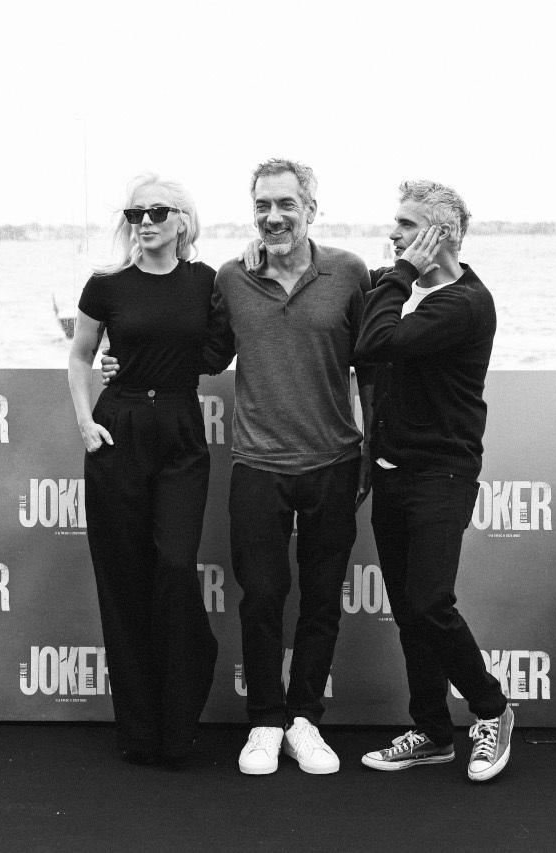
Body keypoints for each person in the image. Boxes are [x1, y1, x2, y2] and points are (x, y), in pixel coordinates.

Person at [104, 159, 372, 776]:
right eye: (261, 206)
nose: (272, 217)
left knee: (323, 598)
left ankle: (305, 720)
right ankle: (265, 722)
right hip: (257, 464)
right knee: (261, 597)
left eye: (285, 204)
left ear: (311, 208)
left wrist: (372, 445)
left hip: (333, 459)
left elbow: (374, 363)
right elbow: (198, 351)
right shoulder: (231, 278)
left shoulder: (350, 274)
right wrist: (125, 363)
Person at [353, 180, 514, 783]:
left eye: (403, 225)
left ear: (436, 236)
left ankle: (492, 711)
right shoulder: (408, 291)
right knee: (408, 610)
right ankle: (430, 729)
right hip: (394, 474)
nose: (391, 235)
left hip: (440, 476)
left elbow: (375, 342)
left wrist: (397, 274)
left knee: (429, 602)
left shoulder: (464, 303)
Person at [67, 174, 219, 769]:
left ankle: (178, 723)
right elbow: (80, 357)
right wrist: (85, 422)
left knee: (176, 568)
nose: (145, 221)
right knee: (124, 579)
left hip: (181, 428)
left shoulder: (208, 283)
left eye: (157, 211)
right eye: (135, 213)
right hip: (119, 427)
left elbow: (223, 341)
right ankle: (140, 731)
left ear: (183, 219)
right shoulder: (106, 287)